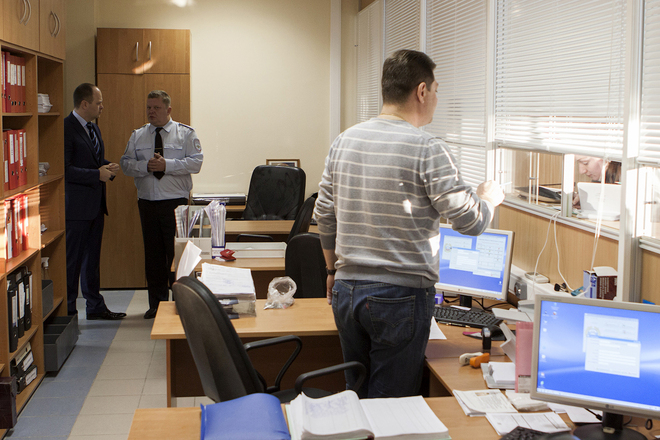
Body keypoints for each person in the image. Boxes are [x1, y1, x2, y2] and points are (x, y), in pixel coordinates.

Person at [314, 49, 504, 399]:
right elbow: (471, 221)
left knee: (357, 394)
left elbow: (324, 212)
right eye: (436, 91)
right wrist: (488, 199)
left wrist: (330, 270)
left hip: (345, 289)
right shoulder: (427, 148)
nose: (436, 100)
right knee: (392, 407)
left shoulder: (344, 141)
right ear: (421, 91)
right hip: (399, 296)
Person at [120, 90, 203, 319]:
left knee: (177, 256)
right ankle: (156, 305)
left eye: (156, 108)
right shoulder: (138, 135)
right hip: (148, 202)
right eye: (148, 107)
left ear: (168, 110)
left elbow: (196, 163)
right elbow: (125, 164)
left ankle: (181, 303)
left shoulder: (185, 133)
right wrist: (145, 166)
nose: (151, 112)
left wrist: (168, 165)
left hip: (175, 204)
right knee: (153, 256)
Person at [64, 83, 126, 320]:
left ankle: (95, 306)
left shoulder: (94, 128)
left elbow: (93, 161)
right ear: (84, 104)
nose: (102, 107)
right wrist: (96, 175)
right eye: (98, 103)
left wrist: (107, 166)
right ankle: (69, 310)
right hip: (76, 209)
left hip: (96, 206)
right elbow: (65, 170)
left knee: (92, 261)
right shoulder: (66, 128)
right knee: (72, 263)